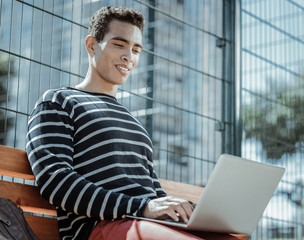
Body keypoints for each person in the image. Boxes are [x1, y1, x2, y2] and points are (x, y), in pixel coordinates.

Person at [26, 6, 238, 240]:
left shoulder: (135, 125)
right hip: (101, 227)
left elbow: (151, 192)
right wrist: (142, 208)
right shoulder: (58, 102)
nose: (129, 56)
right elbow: (56, 180)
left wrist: (178, 210)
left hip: (144, 222)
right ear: (91, 45)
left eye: (136, 49)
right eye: (119, 44)